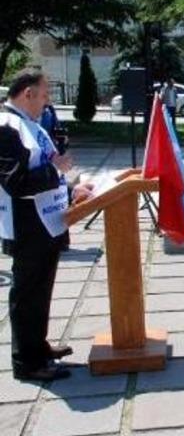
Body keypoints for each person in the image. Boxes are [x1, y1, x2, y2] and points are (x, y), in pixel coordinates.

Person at [0, 70, 94, 381]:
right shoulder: (6, 126)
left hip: (47, 223)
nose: (46, 102)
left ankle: (38, 348)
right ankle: (26, 362)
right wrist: (56, 171)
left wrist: (70, 191)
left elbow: (43, 169)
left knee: (41, 291)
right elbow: (16, 182)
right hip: (26, 226)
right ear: (27, 93)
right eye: (43, 95)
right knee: (27, 293)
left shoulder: (30, 125)